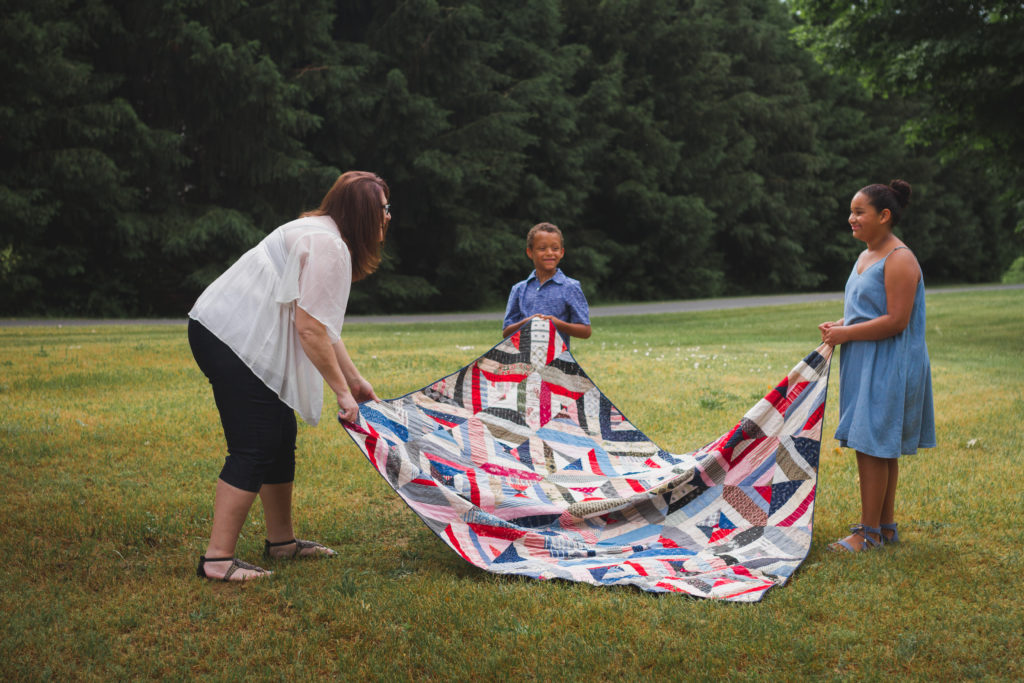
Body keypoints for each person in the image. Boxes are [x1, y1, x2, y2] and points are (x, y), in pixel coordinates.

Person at [188, 171, 390, 581]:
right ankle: (217, 560)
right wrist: (342, 395)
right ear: (365, 213)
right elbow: (310, 329)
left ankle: (282, 543)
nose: (388, 217)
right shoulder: (328, 245)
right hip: (232, 338)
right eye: (384, 209)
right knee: (256, 443)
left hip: (230, 334)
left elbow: (321, 323)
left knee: (280, 435)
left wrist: (355, 381)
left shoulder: (323, 234)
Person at [818, 179, 936, 552]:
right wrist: (842, 324)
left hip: (890, 363)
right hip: (868, 360)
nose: (851, 218)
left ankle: (867, 533)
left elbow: (896, 321)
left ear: (884, 216)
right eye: (851, 211)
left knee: (874, 444)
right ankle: (883, 528)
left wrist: (847, 336)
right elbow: (868, 311)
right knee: (876, 443)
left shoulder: (899, 258)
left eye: (859, 212)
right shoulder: (867, 253)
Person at [502, 222, 591, 345]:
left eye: (555, 249)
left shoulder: (570, 287)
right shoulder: (519, 289)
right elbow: (506, 332)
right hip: (523, 361)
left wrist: (556, 324)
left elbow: (585, 331)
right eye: (542, 248)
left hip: (556, 361)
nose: (549, 253)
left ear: (562, 252)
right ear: (530, 252)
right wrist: (525, 323)